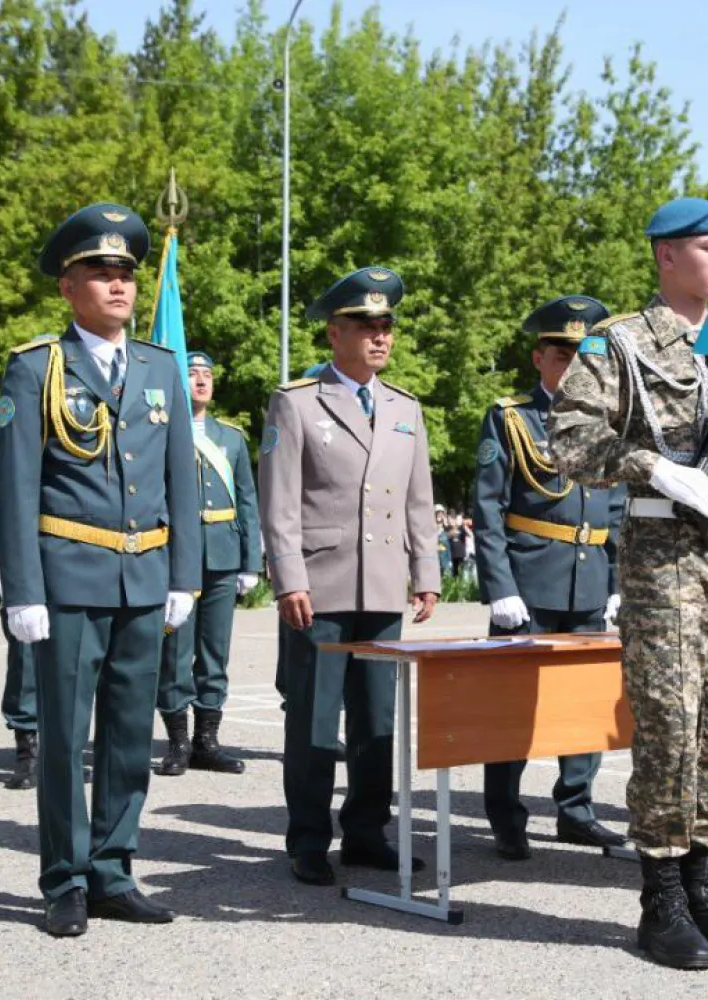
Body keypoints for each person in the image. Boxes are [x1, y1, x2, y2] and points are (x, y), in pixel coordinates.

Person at [550, 197, 708, 970]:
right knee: (669, 724)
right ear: (666, 255)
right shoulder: (619, 343)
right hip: (662, 551)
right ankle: (660, 903)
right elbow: (570, 440)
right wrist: (653, 466)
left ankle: (707, 887)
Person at [0, 202, 201, 937]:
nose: (118, 285)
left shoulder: (159, 366)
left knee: (126, 735)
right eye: (100, 272)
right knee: (64, 738)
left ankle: (114, 871)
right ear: (68, 286)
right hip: (69, 578)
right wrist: (23, 589)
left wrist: (186, 576)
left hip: (144, 579)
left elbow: (182, 478)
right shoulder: (35, 368)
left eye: (125, 274)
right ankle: (64, 880)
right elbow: (16, 483)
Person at [259, 266, 442, 887]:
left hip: (385, 584)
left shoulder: (404, 408)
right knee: (313, 719)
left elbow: (420, 498)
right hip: (322, 584)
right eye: (366, 325)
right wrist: (288, 579)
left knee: (377, 722)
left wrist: (427, 572)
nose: (380, 336)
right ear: (334, 332)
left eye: (386, 325)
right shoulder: (297, 402)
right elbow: (279, 501)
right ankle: (307, 839)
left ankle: (366, 832)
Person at [471, 294, 629, 861]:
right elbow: (486, 510)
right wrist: (500, 587)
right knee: (513, 711)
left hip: (587, 584)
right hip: (529, 584)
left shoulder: (608, 423)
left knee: (583, 708)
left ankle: (576, 810)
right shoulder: (510, 418)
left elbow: (615, 510)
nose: (573, 367)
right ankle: (506, 816)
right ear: (540, 358)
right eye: (563, 355)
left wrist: (614, 583)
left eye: (584, 356)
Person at [155, 350, 262, 777]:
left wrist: (250, 560)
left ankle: (207, 740)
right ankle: (178, 743)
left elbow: (248, 499)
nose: (201, 381)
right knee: (176, 652)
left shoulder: (231, 437)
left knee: (215, 653)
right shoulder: (163, 432)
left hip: (222, 552)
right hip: (178, 552)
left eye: (207, 375)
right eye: (192, 374)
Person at [0, 408, 38, 790]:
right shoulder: (4, 414)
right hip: (23, 541)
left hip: (83, 541)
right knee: (26, 652)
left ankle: (66, 746)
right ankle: (27, 746)